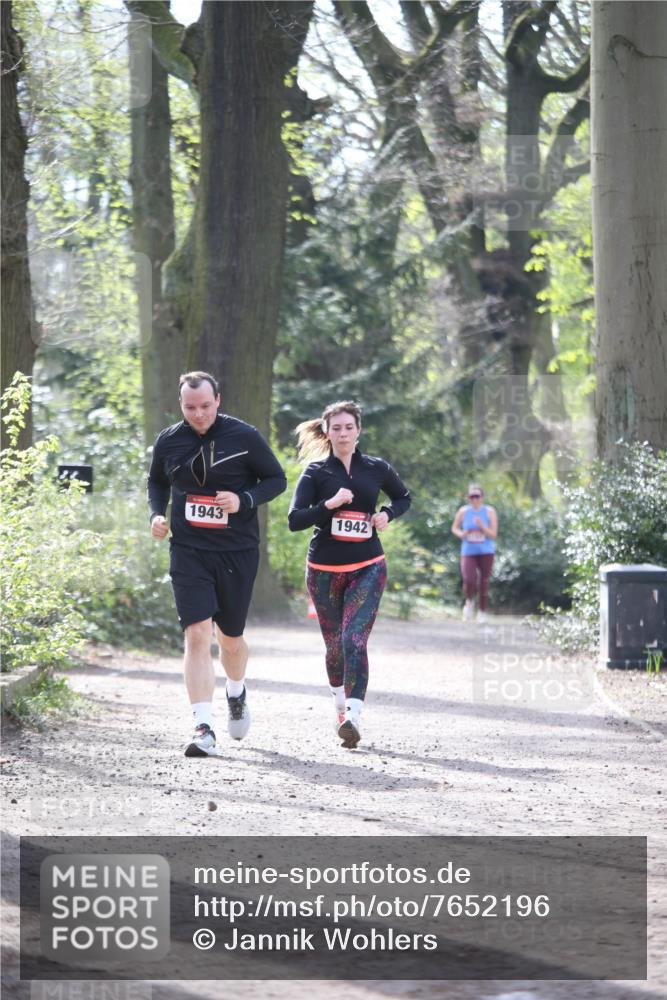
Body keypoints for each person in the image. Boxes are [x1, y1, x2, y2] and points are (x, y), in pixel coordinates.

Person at [147, 371, 286, 757]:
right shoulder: (169, 440)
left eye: (206, 406)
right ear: (181, 406)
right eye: (190, 407)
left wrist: (244, 499)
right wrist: (157, 515)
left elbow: (276, 479)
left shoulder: (244, 437)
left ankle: (236, 690)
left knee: (231, 639)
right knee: (196, 633)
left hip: (236, 551)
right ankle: (203, 726)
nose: (199, 414)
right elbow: (156, 482)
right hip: (189, 550)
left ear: (218, 400)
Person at [288, 401, 411, 748]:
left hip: (368, 566)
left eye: (348, 427)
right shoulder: (315, 473)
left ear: (359, 431)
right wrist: (328, 505)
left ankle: (354, 716)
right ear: (327, 432)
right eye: (336, 428)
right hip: (324, 570)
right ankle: (340, 707)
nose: (343, 433)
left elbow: (403, 498)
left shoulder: (376, 468)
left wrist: (387, 513)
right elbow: (295, 519)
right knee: (334, 647)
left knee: (354, 638)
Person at [451, 484, 498, 623]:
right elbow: (454, 528)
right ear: (468, 498)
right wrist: (461, 534)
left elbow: (493, 534)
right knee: (469, 578)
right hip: (468, 551)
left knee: (484, 581)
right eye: (472, 496)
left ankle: (482, 612)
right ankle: (469, 602)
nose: (474, 499)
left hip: (486, 551)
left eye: (477, 496)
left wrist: (482, 527)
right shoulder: (463, 511)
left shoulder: (489, 511)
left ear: (482, 498)